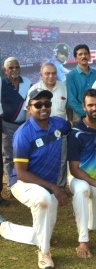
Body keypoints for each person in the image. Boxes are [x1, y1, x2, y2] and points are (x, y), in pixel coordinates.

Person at [0, 89, 71, 269]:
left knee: (44, 230)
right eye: (38, 105)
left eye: (47, 104)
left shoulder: (58, 124)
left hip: (46, 186)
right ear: (29, 108)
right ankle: (44, 253)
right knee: (43, 200)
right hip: (22, 183)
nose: (43, 108)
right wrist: (54, 188)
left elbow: (73, 127)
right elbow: (21, 172)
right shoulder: (23, 133)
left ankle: (5, 228)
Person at [67, 88, 96, 258]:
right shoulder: (76, 132)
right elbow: (74, 169)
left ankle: (81, 211)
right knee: (82, 190)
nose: (94, 108)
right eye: (90, 105)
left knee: (94, 226)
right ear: (84, 107)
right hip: (80, 179)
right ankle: (83, 241)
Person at [26, 63, 69, 190]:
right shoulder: (34, 89)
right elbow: (28, 111)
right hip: (40, 131)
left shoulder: (63, 87)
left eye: (54, 73)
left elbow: (68, 109)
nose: (51, 76)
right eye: (47, 73)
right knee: (41, 158)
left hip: (60, 133)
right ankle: (40, 187)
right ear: (41, 75)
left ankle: (60, 187)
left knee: (61, 160)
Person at [1, 57, 32, 205]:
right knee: (8, 156)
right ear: (4, 69)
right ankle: (11, 185)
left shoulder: (27, 82)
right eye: (11, 67)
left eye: (17, 67)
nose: (14, 70)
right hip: (7, 124)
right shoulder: (1, 83)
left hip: (24, 125)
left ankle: (26, 182)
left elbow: (30, 103)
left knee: (26, 154)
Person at [66, 44, 96, 120]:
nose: (83, 56)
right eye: (80, 54)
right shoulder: (71, 76)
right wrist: (85, 113)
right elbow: (71, 101)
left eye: (85, 53)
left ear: (89, 56)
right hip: (79, 115)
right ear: (75, 58)